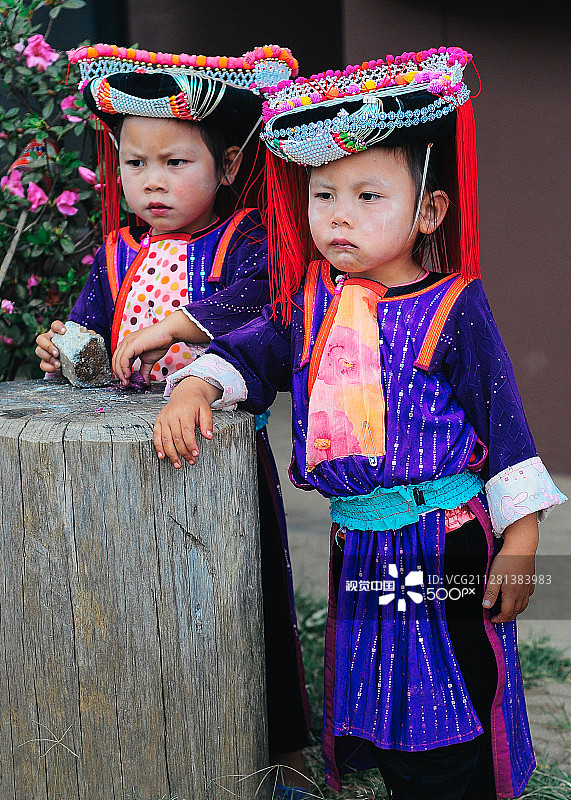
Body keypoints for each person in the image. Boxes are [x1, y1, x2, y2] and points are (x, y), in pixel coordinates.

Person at [151, 46, 567, 799]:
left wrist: (523, 540)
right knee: (387, 688)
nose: (338, 215)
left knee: (457, 681)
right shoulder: (309, 302)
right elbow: (252, 352)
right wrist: (197, 387)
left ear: (428, 210)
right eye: (322, 194)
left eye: (368, 195)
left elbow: (503, 421)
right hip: (360, 544)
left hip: (443, 539)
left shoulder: (452, 306)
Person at [34, 43, 311, 791]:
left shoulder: (245, 239)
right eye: (135, 163)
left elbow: (262, 300)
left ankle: (281, 745)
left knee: (249, 589)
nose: (151, 180)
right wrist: (64, 346)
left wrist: (173, 327)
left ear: (226, 166)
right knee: (133, 585)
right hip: (125, 448)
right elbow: (91, 329)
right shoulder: (116, 252)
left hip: (218, 443)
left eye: (175, 162)